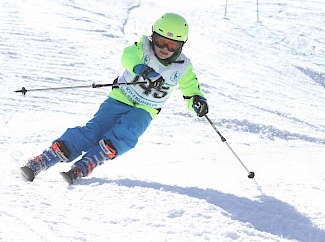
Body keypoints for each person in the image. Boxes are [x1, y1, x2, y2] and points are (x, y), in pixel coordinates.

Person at [20, 13, 209, 185]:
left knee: (129, 131)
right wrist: (143, 70)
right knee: (94, 131)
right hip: (120, 98)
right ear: (153, 37)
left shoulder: (183, 67)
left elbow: (191, 89)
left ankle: (89, 162)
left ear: (181, 46)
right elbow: (128, 57)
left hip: (146, 109)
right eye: (160, 42)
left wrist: (197, 102)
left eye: (172, 45)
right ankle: (46, 159)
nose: (165, 49)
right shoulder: (142, 48)